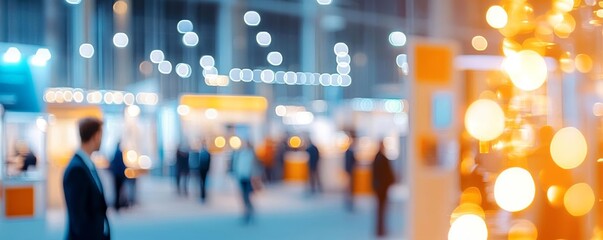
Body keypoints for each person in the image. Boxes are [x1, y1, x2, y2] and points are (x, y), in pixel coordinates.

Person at [63, 117, 110, 240]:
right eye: (101, 135)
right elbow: (78, 219)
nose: (102, 140)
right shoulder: (76, 170)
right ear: (95, 136)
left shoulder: (88, 165)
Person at [372, 141, 395, 238]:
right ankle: (380, 229)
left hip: (380, 187)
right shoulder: (381, 158)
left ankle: (380, 229)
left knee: (381, 209)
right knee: (381, 209)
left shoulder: (377, 157)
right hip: (382, 187)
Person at [232, 140, 257, 224]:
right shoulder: (240, 154)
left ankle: (249, 212)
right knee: (243, 197)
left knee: (247, 196)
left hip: (249, 178)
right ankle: (246, 212)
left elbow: (254, 168)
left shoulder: (251, 155)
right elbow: (237, 166)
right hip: (241, 177)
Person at [109, 141, 127, 212]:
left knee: (116, 190)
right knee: (118, 191)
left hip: (116, 174)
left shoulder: (115, 152)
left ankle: (117, 205)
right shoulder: (119, 152)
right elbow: (121, 164)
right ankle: (117, 205)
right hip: (119, 175)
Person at [344, 136, 357, 212]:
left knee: (349, 187)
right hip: (350, 172)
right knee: (349, 187)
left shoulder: (348, 152)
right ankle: (349, 201)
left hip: (349, 171)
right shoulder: (350, 152)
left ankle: (348, 201)